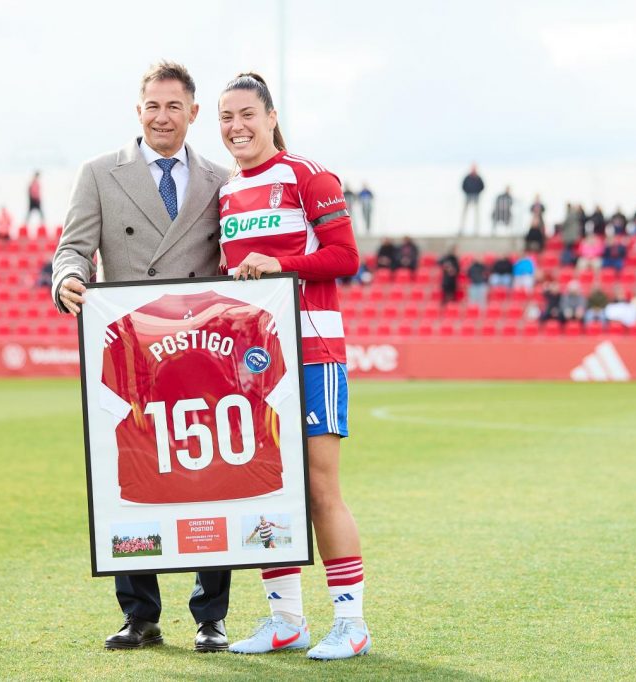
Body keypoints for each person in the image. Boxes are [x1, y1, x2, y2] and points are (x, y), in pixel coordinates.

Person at [52, 62, 232, 653]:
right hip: (128, 352)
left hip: (201, 355)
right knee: (129, 476)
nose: (162, 117)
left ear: (193, 113)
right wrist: (69, 281)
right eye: (152, 106)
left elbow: (235, 265)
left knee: (208, 476)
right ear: (138, 110)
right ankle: (141, 615)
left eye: (174, 106)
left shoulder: (220, 179)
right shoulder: (99, 173)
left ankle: (212, 616)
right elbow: (73, 248)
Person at [214, 72, 369, 661]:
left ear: (271, 116)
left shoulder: (307, 174)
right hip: (253, 364)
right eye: (226, 118)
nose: (237, 127)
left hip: (312, 352)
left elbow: (346, 257)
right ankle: (285, 620)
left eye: (247, 114)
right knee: (265, 489)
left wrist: (278, 263)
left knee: (320, 487)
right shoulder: (227, 192)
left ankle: (351, 623)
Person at [459, 164, 484, 234]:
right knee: (465, 213)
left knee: (476, 214)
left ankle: (476, 230)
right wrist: (467, 192)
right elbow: (463, 186)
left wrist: (477, 192)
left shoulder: (478, 178)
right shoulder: (467, 177)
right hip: (468, 197)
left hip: (476, 197)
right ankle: (461, 229)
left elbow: (482, 186)